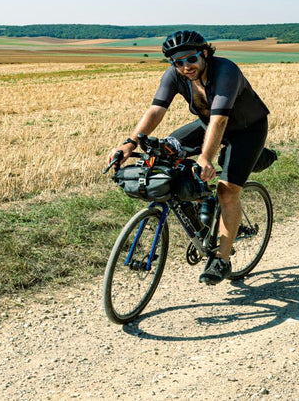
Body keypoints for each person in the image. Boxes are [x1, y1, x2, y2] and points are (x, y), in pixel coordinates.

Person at [107, 30, 270, 285]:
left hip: (246, 131)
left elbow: (221, 119)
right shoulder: (175, 75)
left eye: (190, 59)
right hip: (207, 124)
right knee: (166, 153)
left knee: (227, 191)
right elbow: (156, 109)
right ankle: (201, 209)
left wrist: (205, 157)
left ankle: (222, 259)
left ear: (204, 53)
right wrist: (130, 143)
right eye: (178, 62)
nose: (185, 67)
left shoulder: (225, 72)